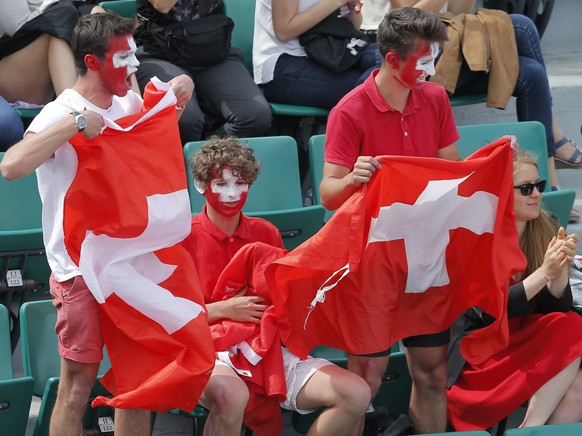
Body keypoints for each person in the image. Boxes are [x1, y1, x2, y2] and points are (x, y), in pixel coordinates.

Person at [0, 12, 194, 436]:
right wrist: (73, 126)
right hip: (78, 271)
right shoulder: (60, 111)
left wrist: (181, 91)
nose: (135, 66)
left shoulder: (128, 99)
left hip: (129, 264)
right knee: (76, 386)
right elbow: (11, 167)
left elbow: (144, 146)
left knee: (139, 382)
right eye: (123, 58)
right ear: (91, 62)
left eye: (134, 55)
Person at [319, 7, 461, 434]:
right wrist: (352, 180)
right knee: (366, 380)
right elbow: (328, 194)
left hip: (425, 258)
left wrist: (491, 163)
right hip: (373, 261)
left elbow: (451, 170)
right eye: (423, 60)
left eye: (434, 57)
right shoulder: (349, 110)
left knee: (433, 375)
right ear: (391, 59)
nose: (431, 69)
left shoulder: (435, 98)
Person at [181, 136, 371, 436]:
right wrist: (223, 309)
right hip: (206, 350)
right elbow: (168, 317)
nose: (232, 193)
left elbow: (284, 299)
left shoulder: (265, 232)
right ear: (201, 186)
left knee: (356, 393)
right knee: (232, 396)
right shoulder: (183, 238)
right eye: (221, 184)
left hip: (268, 349)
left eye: (240, 183)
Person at [389, 0, 582, 222]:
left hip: (451, 47)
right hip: (415, 55)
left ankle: (544, 181)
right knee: (521, 26)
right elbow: (405, 20)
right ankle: (553, 153)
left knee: (532, 72)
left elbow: (455, 14)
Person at [447, 149, 582, 430]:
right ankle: (529, 429)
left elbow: (555, 309)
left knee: (578, 372)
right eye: (525, 188)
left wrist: (559, 269)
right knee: (574, 327)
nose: (536, 194)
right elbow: (486, 311)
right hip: (484, 353)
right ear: (501, 193)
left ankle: (530, 431)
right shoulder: (475, 238)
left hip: (528, 340)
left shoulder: (545, 226)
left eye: (539, 186)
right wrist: (545, 272)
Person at [134, 0, 272, 143]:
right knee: (186, 120)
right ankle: (188, 160)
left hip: (213, 50)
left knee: (255, 116)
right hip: (159, 54)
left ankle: (206, 157)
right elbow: (162, 5)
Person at [253, 0, 382, 109]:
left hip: (330, 52)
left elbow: (353, 27)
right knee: (375, 88)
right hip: (282, 63)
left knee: (387, 59)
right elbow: (283, 31)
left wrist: (352, 5)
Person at [0, 0, 105, 106]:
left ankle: (110, 108)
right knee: (63, 17)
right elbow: (19, 27)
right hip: (13, 73)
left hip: (56, 46)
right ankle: (73, 110)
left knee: (98, 17)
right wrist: (60, 4)